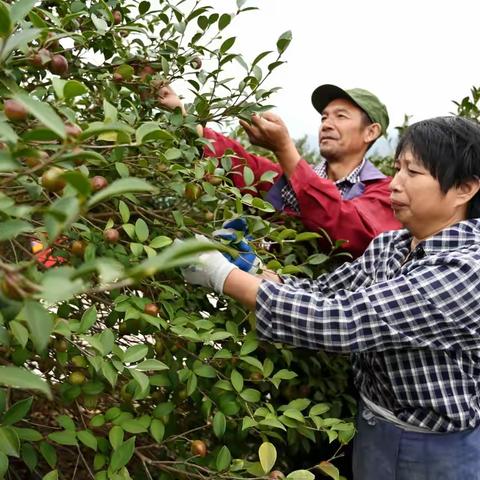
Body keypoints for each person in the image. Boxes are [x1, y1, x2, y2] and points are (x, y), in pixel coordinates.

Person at [181, 116, 480, 479]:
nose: (395, 183)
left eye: (412, 173)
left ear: (464, 189)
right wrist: (256, 271)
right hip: (374, 428)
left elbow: (344, 320)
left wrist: (223, 277)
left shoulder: (467, 270)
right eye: (397, 168)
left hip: (438, 451)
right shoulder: (391, 245)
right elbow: (324, 293)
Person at [158, 84, 401, 258]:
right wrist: (182, 114)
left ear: (370, 132)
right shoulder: (287, 181)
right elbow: (241, 164)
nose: (327, 124)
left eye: (341, 116)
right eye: (324, 117)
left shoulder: (387, 193)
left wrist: (285, 149)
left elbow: (347, 228)